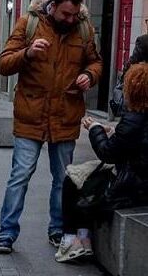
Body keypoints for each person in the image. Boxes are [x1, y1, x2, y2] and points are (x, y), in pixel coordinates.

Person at [0, 0, 102, 254]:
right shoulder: (29, 23)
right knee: (20, 175)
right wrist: (28, 52)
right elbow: (3, 64)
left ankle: (57, 230)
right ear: (53, 7)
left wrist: (89, 75)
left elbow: (96, 62)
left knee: (63, 179)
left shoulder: (84, 29)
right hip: (31, 115)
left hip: (65, 116)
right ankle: (6, 233)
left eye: (74, 15)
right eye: (65, 14)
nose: (70, 19)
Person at [56, 63, 148, 262]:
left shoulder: (133, 118)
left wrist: (95, 129)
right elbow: (133, 142)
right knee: (86, 176)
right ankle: (83, 239)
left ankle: (71, 240)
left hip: (132, 186)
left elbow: (107, 153)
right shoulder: (138, 118)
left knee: (74, 179)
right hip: (138, 178)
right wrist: (112, 131)